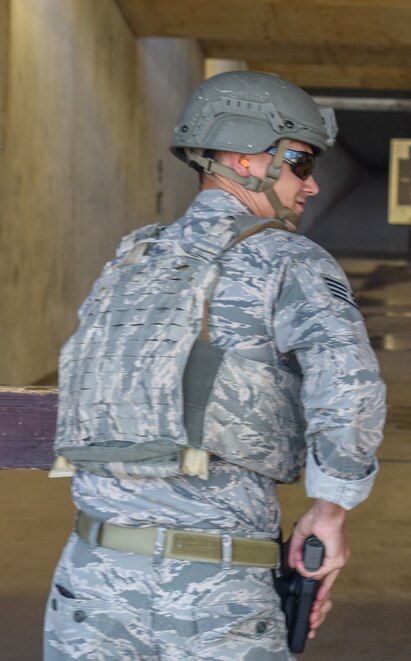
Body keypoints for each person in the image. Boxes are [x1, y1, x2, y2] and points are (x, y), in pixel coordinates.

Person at [45, 71, 386, 659]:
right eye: (300, 162)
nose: (310, 186)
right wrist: (330, 513)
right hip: (213, 590)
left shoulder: (129, 260)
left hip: (88, 582)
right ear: (242, 157)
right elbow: (350, 390)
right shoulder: (289, 260)